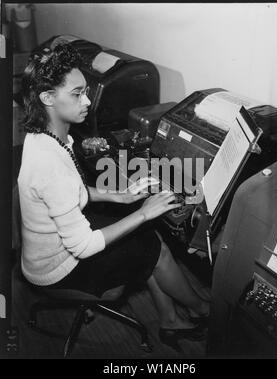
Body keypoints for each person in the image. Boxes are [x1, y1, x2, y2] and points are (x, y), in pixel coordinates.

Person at [18, 43, 209, 351]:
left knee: (144, 236)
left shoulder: (45, 136)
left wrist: (120, 196)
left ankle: (170, 316)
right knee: (152, 243)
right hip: (58, 268)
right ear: (48, 98)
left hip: (49, 248)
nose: (88, 101)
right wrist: (144, 211)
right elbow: (84, 244)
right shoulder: (49, 164)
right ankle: (202, 310)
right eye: (77, 94)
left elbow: (71, 192)